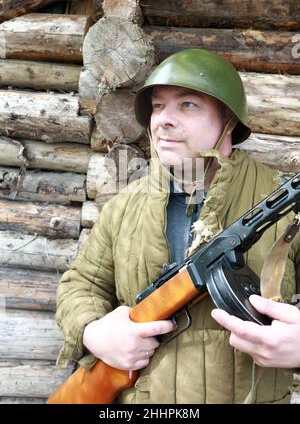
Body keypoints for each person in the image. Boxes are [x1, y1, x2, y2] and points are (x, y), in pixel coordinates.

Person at [55, 49, 300, 404]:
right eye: (157, 106)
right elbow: (81, 285)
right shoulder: (125, 205)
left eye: (187, 105)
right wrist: (94, 332)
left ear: (229, 119)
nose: (162, 121)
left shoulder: (286, 206)